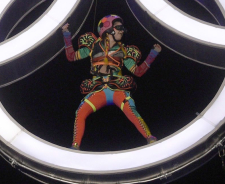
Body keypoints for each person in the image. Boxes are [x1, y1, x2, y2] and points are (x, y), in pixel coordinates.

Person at [61, 14, 162, 149]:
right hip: (99, 89)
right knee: (80, 112)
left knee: (131, 110)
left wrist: (153, 54)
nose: (122, 30)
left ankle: (150, 138)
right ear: (107, 28)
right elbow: (71, 56)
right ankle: (75, 146)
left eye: (122, 28)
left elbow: (138, 71)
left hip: (117, 89)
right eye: (118, 27)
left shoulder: (124, 51)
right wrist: (66, 34)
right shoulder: (92, 46)